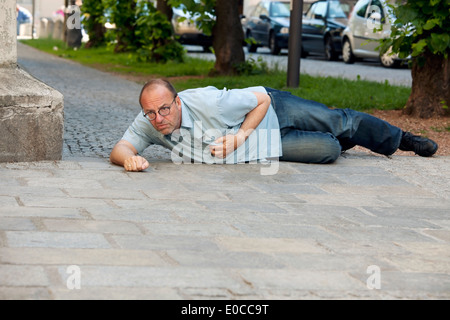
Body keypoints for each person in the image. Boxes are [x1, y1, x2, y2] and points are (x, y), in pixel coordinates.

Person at [110, 79, 438, 172]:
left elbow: (260, 100)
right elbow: (122, 147)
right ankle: (344, 139)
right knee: (329, 149)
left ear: (177, 102)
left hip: (272, 109)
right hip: (264, 147)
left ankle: (402, 139)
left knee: (338, 120)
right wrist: (129, 158)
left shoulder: (210, 102)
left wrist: (239, 136)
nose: (158, 119)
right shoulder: (150, 122)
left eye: (164, 109)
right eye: (150, 114)